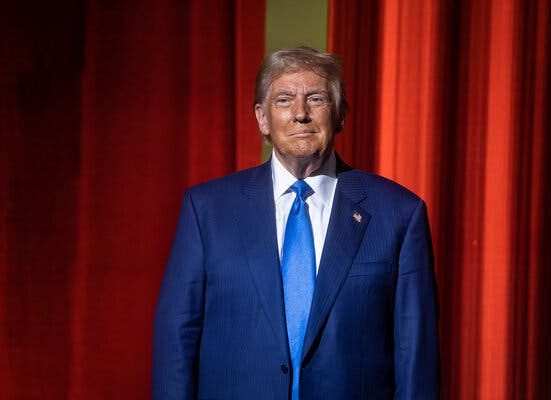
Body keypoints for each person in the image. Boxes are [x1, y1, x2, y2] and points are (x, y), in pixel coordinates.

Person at [152, 46, 439, 399]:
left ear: (340, 114)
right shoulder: (207, 210)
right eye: (284, 100)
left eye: (316, 98)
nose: (300, 114)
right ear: (262, 118)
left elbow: (416, 353)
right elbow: (177, 337)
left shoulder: (399, 213)